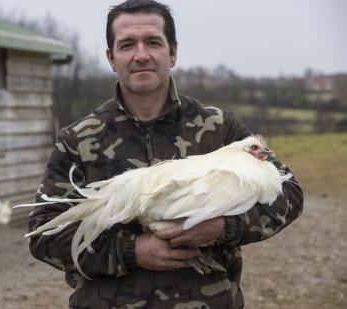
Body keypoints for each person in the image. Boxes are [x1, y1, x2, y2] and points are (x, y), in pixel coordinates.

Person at [28, 0, 304, 308]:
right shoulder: (79, 139)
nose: (141, 54)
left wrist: (224, 227)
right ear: (111, 57)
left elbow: (289, 193)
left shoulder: (219, 127)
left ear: (172, 53)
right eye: (127, 44)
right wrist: (133, 252)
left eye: (153, 42)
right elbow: (44, 234)